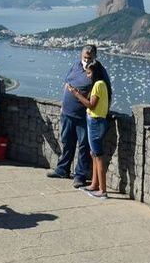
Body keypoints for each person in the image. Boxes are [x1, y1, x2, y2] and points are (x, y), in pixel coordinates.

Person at [46, 44, 111, 188]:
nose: (86, 61)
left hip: (84, 116)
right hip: (68, 113)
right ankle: (62, 169)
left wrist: (103, 113)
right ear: (80, 56)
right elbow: (67, 83)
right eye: (85, 58)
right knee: (67, 141)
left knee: (83, 146)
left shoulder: (97, 70)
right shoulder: (75, 65)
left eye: (89, 58)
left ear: (94, 57)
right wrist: (64, 103)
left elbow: (106, 91)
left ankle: (80, 176)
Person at [66, 60, 110, 199]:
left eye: (90, 73)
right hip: (97, 121)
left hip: (95, 121)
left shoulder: (98, 85)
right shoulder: (102, 84)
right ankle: (95, 185)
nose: (88, 76)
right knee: (94, 154)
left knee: (98, 155)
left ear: (95, 72)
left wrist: (75, 94)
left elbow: (91, 105)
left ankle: (102, 190)